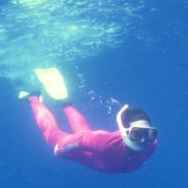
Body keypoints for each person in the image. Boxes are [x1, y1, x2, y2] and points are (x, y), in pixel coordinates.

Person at [20, 69, 157, 174]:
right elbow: (80, 140)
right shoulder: (105, 142)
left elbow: (85, 136)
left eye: (149, 134)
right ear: (125, 131)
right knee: (53, 137)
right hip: (88, 154)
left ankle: (65, 103)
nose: (144, 140)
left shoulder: (152, 144)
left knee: (85, 134)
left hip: (101, 155)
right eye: (137, 133)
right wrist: (61, 150)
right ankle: (33, 98)